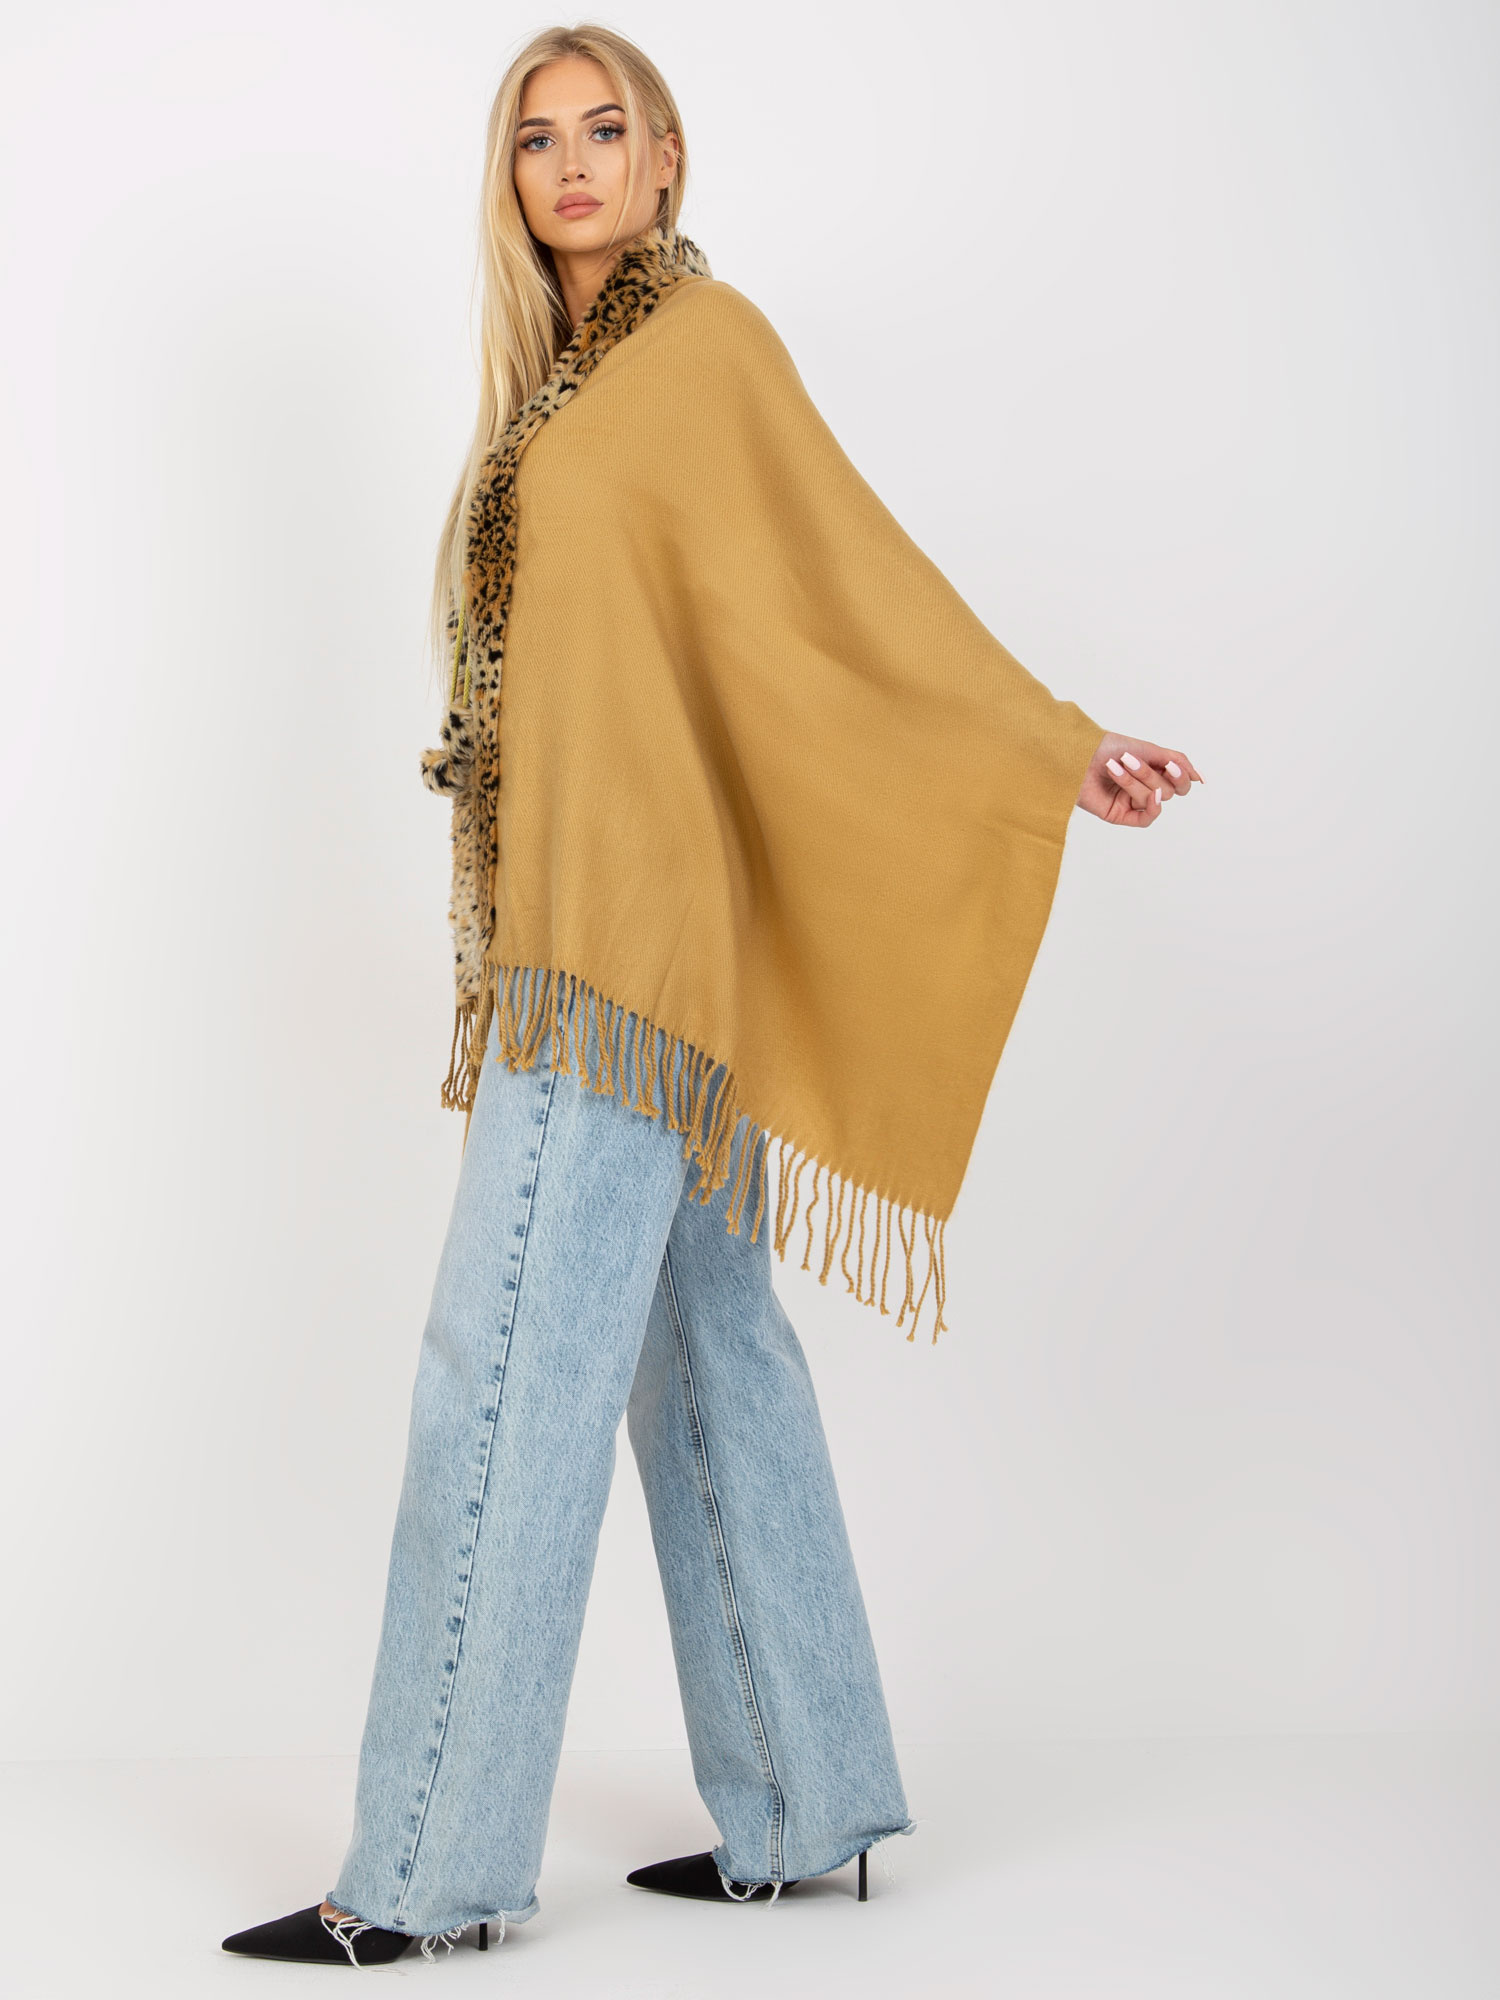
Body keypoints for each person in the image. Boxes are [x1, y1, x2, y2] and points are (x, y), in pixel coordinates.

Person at [222, 22, 1201, 1969]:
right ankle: (807, 1797)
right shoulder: (564, 388)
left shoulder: (705, 351)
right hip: (633, 959)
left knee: (500, 1375)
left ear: (668, 157)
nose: (574, 164)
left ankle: (419, 1869)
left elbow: (855, 592)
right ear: (511, 181)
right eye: (538, 139)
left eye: (608, 130)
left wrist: (1052, 744)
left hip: (614, 965)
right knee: (711, 1357)